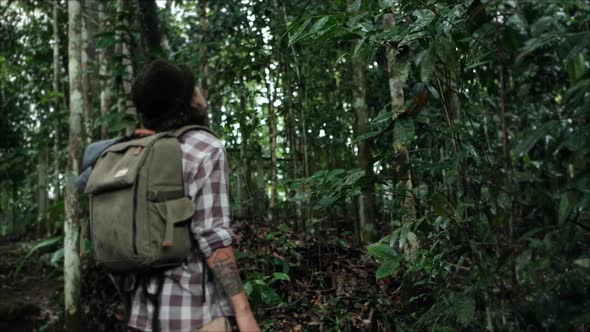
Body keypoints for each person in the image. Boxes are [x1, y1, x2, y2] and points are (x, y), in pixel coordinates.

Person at [127, 59, 260, 332]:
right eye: (195, 87)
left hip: (143, 312)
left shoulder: (138, 151)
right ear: (187, 101)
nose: (201, 93)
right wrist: (243, 312)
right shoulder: (204, 147)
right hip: (194, 313)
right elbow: (212, 236)